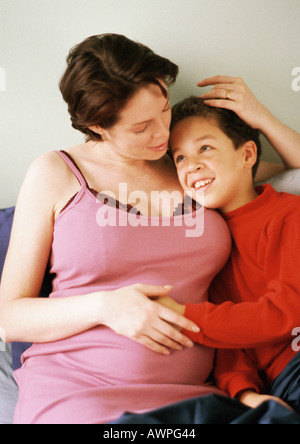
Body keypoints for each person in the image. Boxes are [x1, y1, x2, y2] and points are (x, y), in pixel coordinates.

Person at [0, 33, 298, 424]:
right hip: (80, 390)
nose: (161, 133)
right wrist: (106, 306)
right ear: (97, 126)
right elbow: (8, 318)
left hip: (197, 398)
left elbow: (291, 172)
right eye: (141, 128)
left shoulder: (189, 167)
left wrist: (260, 117)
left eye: (165, 109)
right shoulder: (55, 173)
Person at [157, 94, 300, 413]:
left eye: (204, 148)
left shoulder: (288, 215)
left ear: (247, 154)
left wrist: (184, 315)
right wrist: (245, 393)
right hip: (277, 388)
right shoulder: (203, 246)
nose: (191, 164)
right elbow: (229, 344)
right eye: (179, 158)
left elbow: (285, 311)